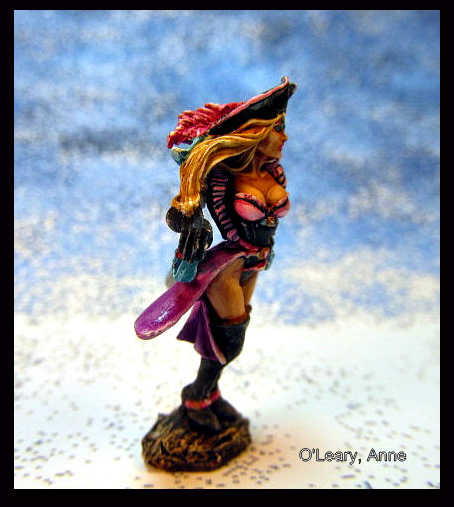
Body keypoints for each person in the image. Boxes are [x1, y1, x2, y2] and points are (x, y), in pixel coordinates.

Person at [135, 77, 296, 433]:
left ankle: (209, 394)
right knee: (231, 338)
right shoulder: (223, 176)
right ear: (256, 132)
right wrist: (192, 223)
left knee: (231, 337)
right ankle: (196, 395)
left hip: (256, 261)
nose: (285, 138)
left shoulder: (272, 172)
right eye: (278, 128)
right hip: (229, 266)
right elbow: (182, 212)